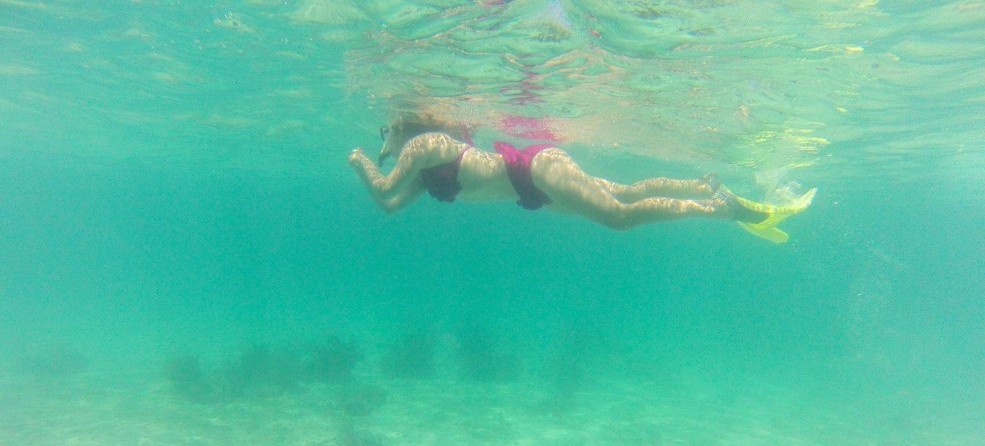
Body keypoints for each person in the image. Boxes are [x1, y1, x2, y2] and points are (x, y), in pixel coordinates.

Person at [349, 111, 815, 242]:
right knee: (625, 195)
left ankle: (721, 210)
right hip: (533, 188)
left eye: (384, 130)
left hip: (534, 168)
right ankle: (703, 187)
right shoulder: (426, 170)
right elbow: (389, 205)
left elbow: (383, 186)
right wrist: (373, 171)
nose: (381, 138)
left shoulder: (423, 146)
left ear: (403, 125)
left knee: (617, 217)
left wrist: (361, 162)